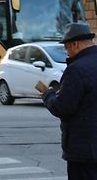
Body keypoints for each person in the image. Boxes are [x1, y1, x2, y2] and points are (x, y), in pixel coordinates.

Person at [40, 22, 97, 179]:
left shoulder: (76, 69)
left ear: (75, 44)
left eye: (66, 48)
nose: (67, 52)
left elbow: (63, 107)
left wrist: (48, 95)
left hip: (84, 149)